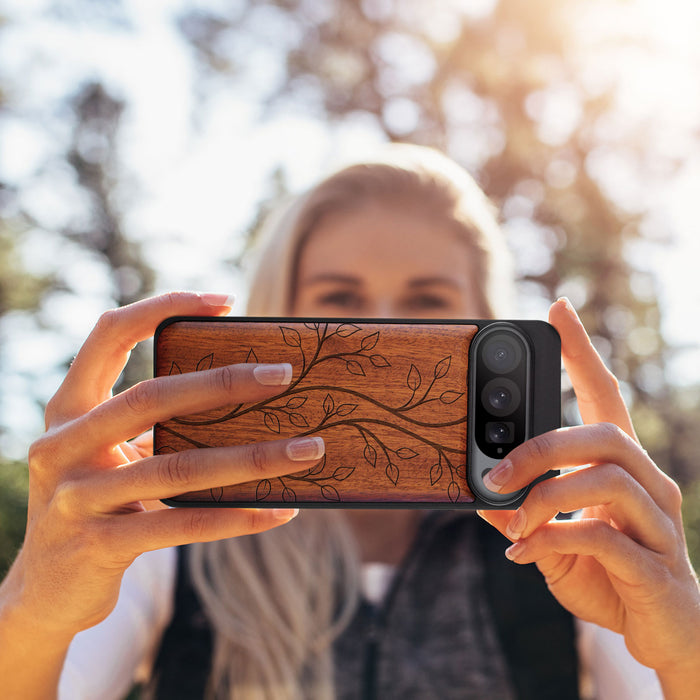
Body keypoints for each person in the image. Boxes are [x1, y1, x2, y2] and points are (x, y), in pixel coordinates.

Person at [0, 145, 698, 700]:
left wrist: (685, 648)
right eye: (341, 300)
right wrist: (34, 607)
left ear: (488, 323)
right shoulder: (170, 536)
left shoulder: (568, 544)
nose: (384, 329)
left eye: (428, 302)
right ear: (278, 314)